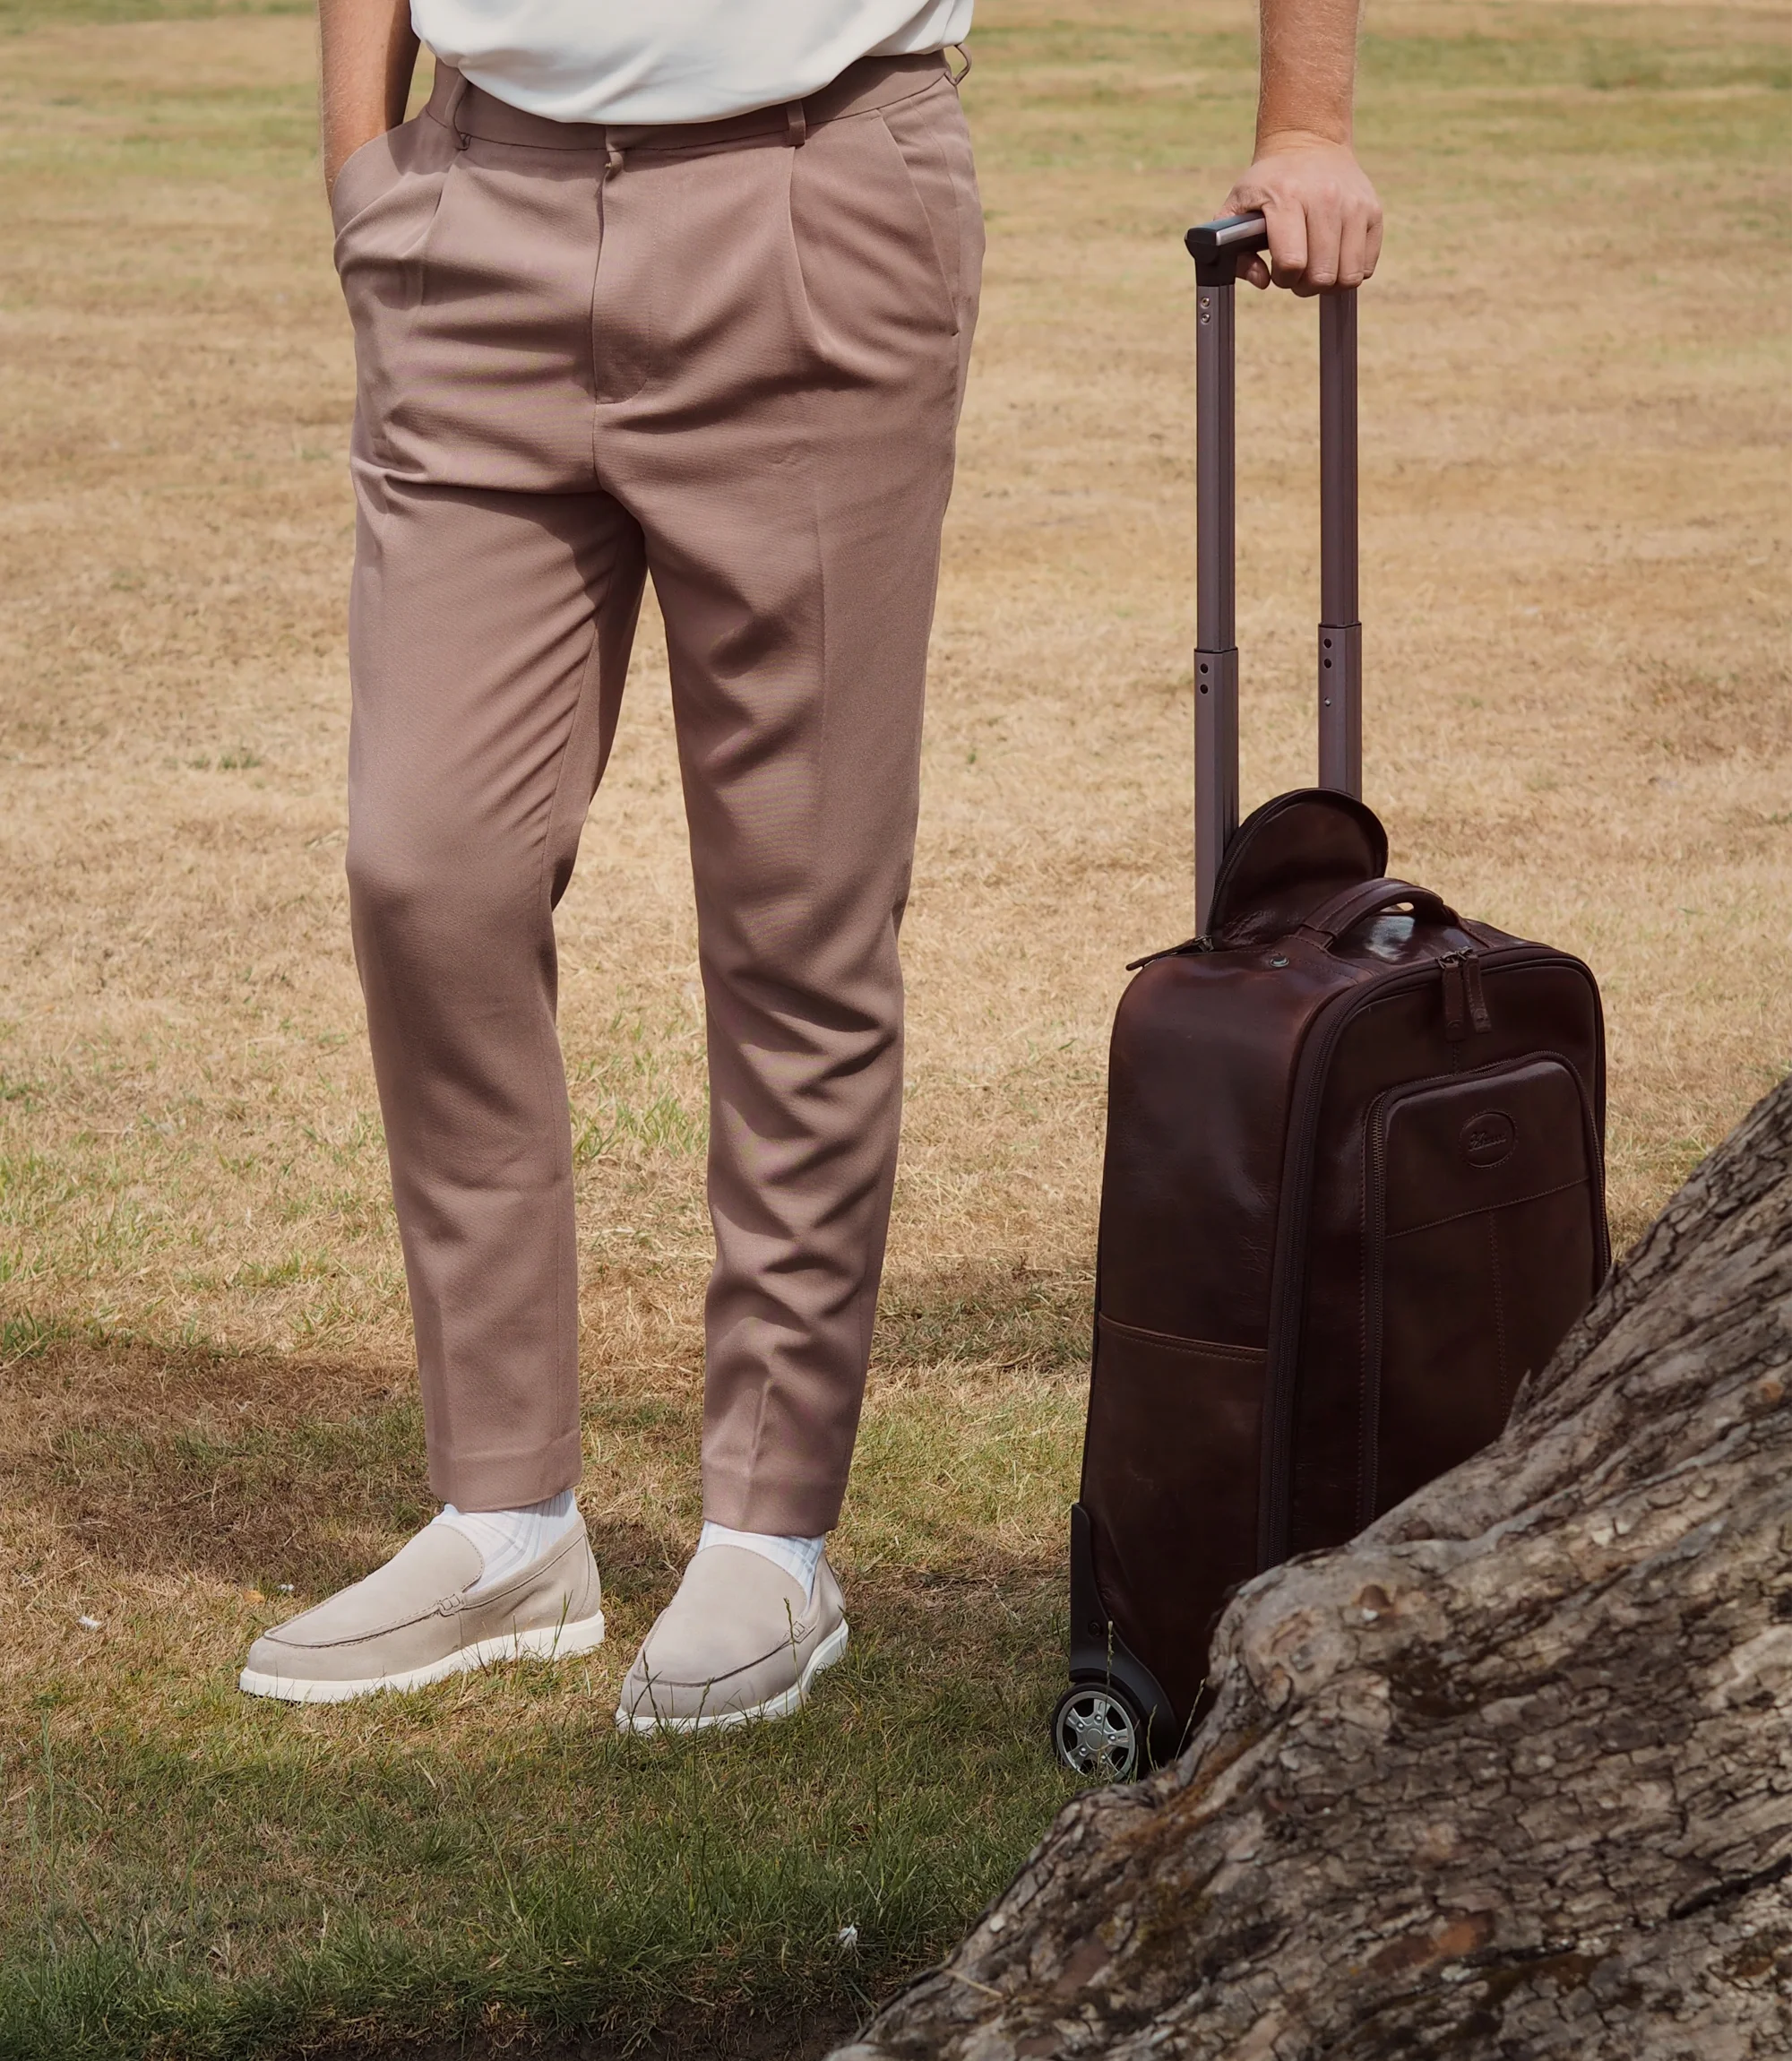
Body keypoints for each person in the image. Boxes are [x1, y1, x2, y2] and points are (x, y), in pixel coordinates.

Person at [240, 0, 1382, 1727]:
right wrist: (367, 167)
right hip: (474, 208)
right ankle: (502, 1514)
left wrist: (1304, 117)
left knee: (796, 905)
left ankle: (770, 1534)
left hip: (814, 196)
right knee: (427, 870)